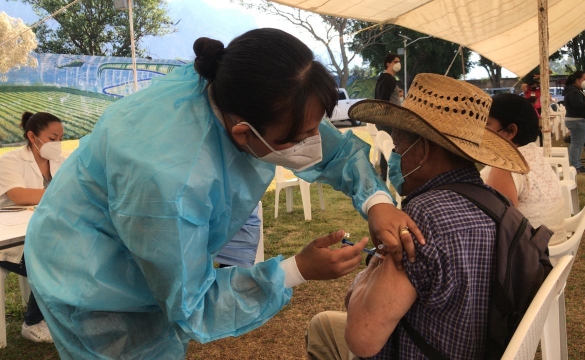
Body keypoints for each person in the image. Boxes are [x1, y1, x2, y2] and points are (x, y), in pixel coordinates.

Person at [24, 28, 425, 359]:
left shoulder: (243, 93)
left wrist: (377, 202)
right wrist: (297, 270)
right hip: (86, 271)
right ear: (243, 132)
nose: (312, 142)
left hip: (134, 222)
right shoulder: (171, 185)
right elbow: (192, 304)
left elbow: (330, 149)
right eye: (299, 137)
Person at [306, 73, 529, 359]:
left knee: (324, 325)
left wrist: (374, 264)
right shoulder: (499, 204)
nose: (396, 157)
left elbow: (362, 338)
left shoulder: (423, 218)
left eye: (399, 148)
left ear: (422, 150)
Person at [0, 111, 65, 343]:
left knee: (79, 250)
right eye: (52, 138)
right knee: (53, 258)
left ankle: (63, 313)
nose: (57, 144)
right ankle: (33, 323)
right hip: (10, 238)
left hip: (44, 231)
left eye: (60, 138)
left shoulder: (60, 161)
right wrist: (59, 193)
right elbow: (18, 195)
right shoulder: (10, 160)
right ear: (32, 136)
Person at [480, 93, 568, 246]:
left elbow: (494, 224)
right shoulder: (534, 155)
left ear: (510, 131)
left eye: (487, 124)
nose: (480, 131)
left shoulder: (506, 165)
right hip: (554, 258)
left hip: (530, 262)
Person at [374, 53, 403, 181]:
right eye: (396, 61)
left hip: (383, 119)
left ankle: (385, 173)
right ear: (388, 64)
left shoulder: (382, 79)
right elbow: (384, 100)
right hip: (389, 119)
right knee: (392, 146)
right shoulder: (389, 79)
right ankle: (390, 174)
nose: (398, 64)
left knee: (385, 145)